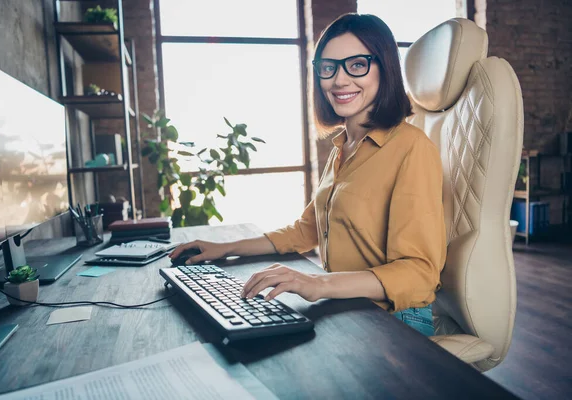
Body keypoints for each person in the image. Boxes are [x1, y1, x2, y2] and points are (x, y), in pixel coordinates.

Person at [169, 13, 446, 337]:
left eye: (357, 64)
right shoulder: (344, 147)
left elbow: (419, 274)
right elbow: (305, 230)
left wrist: (317, 283)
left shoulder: (412, 148)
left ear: (384, 68)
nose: (339, 80)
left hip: (397, 318)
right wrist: (226, 247)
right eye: (328, 67)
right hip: (349, 304)